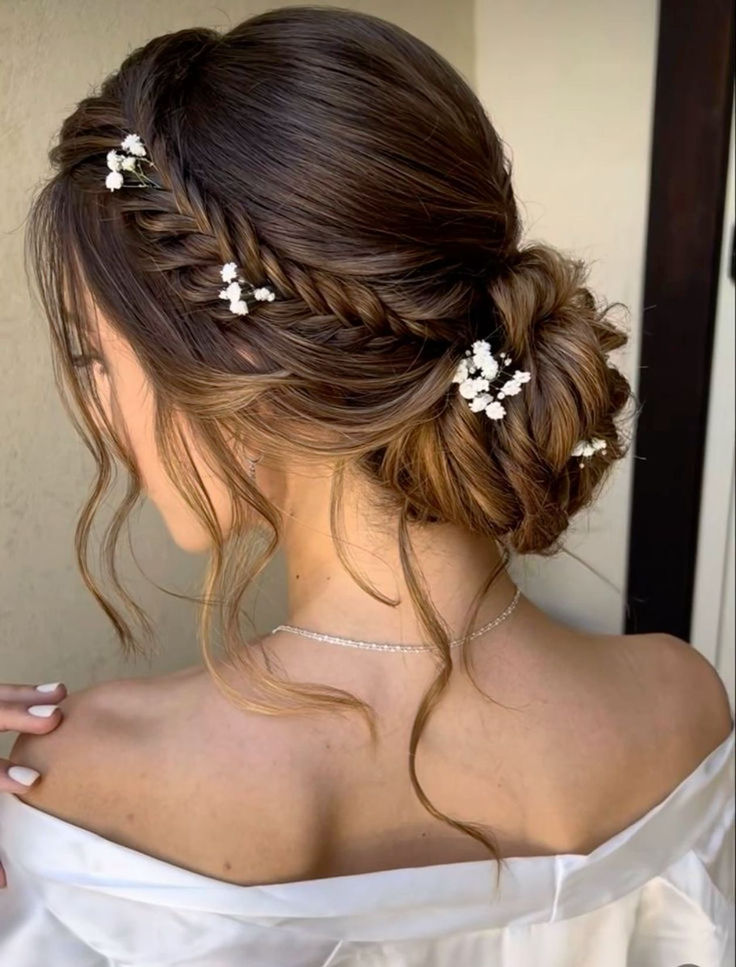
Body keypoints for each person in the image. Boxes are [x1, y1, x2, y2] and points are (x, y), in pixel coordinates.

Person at [1, 6, 733, 966]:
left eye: (100, 358)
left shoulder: (55, 791)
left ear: (236, 360)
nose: (98, 407)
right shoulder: (686, 703)